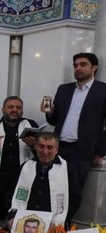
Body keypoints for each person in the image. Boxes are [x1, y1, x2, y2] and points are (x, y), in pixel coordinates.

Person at [42, 52, 106, 188]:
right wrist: (49, 113)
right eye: (75, 65)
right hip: (58, 148)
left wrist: (101, 151)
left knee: (72, 190)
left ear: (94, 67)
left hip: (82, 150)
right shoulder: (64, 89)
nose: (78, 68)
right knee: (51, 187)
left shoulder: (102, 90)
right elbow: (54, 121)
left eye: (83, 65)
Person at [10, 133, 81, 227]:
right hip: (25, 222)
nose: (45, 151)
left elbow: (74, 199)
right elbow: (12, 193)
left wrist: (60, 221)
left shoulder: (68, 169)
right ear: (36, 147)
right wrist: (13, 216)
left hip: (53, 224)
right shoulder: (25, 167)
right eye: (41, 146)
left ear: (56, 149)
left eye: (50, 147)